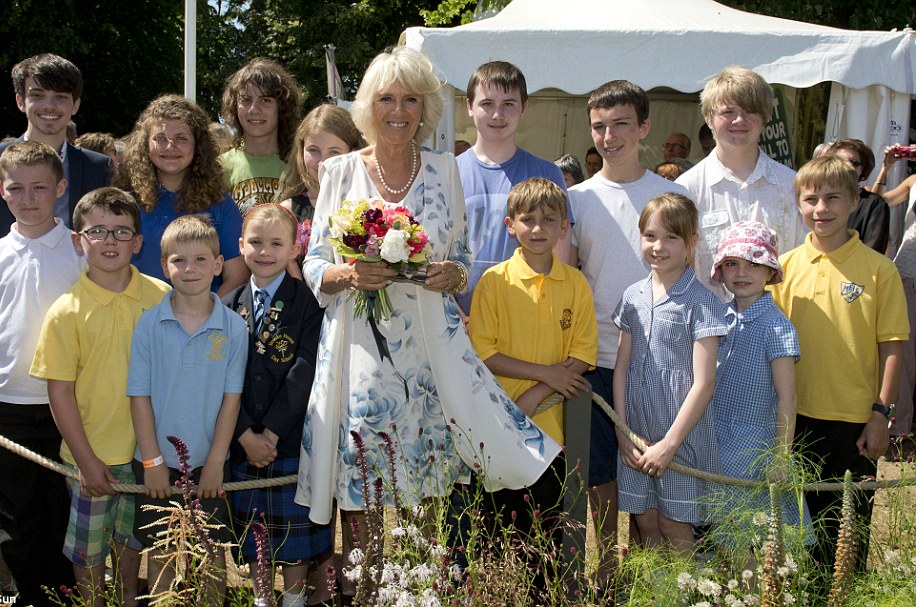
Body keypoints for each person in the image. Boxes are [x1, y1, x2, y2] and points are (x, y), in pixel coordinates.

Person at [295, 47, 560, 604]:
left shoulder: (445, 169)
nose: (398, 110)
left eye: (410, 99)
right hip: (362, 353)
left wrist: (449, 273)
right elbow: (315, 263)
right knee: (363, 482)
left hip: (433, 353)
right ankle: (363, 592)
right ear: (369, 106)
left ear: (425, 108)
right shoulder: (340, 171)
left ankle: (421, 592)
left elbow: (463, 256)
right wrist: (350, 272)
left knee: (431, 486)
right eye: (387, 99)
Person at [569, 78, 689, 586]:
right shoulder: (575, 199)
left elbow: (692, 275)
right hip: (595, 356)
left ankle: (652, 568)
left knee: (654, 466)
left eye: (621, 124)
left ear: (643, 127)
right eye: (599, 126)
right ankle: (609, 560)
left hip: (660, 360)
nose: (609, 135)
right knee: (600, 472)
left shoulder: (674, 195)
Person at [30, 187, 170, 607]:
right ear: (78, 240)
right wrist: (86, 459)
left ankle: (128, 596)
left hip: (146, 452)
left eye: (121, 231)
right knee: (89, 548)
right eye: (98, 231)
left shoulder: (162, 297)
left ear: (138, 241)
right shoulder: (66, 311)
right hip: (91, 453)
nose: (110, 242)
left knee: (132, 539)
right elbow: (60, 391)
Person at [0, 141, 82, 605]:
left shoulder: (80, 250)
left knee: (62, 507)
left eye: (40, 188)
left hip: (66, 403)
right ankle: (29, 593)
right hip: (4, 402)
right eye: (17, 189)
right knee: (13, 510)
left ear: (61, 188)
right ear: (1, 191)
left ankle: (66, 592)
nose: (29, 198)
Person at [769, 155, 908, 570]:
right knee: (794, 533)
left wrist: (881, 413)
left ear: (854, 201)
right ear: (798, 204)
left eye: (833, 198)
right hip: (794, 419)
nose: (821, 209)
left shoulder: (880, 270)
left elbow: (893, 346)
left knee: (845, 535)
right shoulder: (784, 268)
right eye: (810, 199)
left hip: (854, 422)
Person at [468, 177, 597, 597]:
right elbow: (483, 352)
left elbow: (580, 353)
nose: (538, 228)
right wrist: (544, 376)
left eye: (548, 219)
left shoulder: (576, 284)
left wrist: (536, 392)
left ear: (564, 227)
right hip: (500, 431)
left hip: (554, 434)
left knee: (547, 537)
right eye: (528, 219)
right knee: (497, 534)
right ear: (510, 225)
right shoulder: (494, 282)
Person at [128, 215, 248, 602]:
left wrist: (216, 461)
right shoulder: (148, 324)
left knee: (213, 556)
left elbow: (232, 400)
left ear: (218, 265)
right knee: (162, 556)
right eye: (179, 260)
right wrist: (151, 461)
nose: (190, 269)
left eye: (201, 260)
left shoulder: (233, 327)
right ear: (165, 267)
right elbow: (139, 397)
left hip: (208, 464)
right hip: (155, 464)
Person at [223, 204, 331, 607]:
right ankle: (262, 599)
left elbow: (304, 371)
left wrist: (270, 433)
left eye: (275, 243)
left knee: (295, 537)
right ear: (240, 245)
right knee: (258, 534)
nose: (264, 252)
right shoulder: (230, 303)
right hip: (244, 441)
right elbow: (222, 377)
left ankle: (295, 599)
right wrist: (244, 433)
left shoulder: (307, 303)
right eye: (255, 242)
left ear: (293, 250)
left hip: (288, 443)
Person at [613, 192, 727, 556]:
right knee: (645, 521)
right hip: (637, 432)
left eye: (671, 237)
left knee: (673, 523)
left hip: (679, 435)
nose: (658, 246)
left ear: (692, 242)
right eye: (650, 235)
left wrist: (670, 444)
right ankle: (657, 590)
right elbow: (622, 367)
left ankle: (688, 592)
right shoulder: (632, 296)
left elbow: (704, 383)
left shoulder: (702, 303)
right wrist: (621, 428)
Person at [707, 221, 812, 550]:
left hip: (755, 450)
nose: (742, 272)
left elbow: (787, 398)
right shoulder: (718, 318)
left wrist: (781, 457)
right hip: (716, 442)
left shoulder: (776, 326)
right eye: (732, 264)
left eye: (754, 264)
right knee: (721, 538)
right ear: (720, 271)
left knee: (753, 544)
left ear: (770, 271)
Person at [677, 66, 804, 301]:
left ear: (765, 117)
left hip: (779, 322)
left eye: (750, 111)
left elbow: (803, 260)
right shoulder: (686, 189)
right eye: (728, 112)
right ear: (709, 118)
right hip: (709, 327)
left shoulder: (791, 186)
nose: (739, 120)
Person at [455, 60, 571, 315]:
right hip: (458, 321)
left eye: (508, 104)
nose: (498, 114)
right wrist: (458, 317)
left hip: (527, 318)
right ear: (469, 107)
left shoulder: (548, 173)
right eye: (487, 103)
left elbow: (560, 257)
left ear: (524, 108)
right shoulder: (448, 173)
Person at [114, 94, 248, 295]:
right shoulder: (126, 202)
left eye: (181, 138)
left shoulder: (220, 204)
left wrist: (204, 315)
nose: (170, 147)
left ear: (198, 144)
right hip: (137, 320)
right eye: (159, 138)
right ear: (145, 144)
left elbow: (237, 277)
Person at [279, 104, 366, 277]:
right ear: (301, 150)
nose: (324, 162)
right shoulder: (287, 212)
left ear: (353, 152)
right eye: (313, 150)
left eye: (334, 152)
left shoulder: (369, 205)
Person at [220, 57, 303, 215]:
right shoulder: (219, 168)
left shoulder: (300, 167)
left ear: (282, 107)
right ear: (234, 106)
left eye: (265, 100)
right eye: (246, 100)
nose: (254, 109)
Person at [874, 146, 916, 436]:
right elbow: (876, 203)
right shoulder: (914, 181)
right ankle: (899, 428)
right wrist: (886, 168)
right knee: (906, 354)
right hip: (908, 269)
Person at [826, 138, 890, 253]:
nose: (847, 167)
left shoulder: (874, 204)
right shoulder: (816, 198)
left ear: (862, 169)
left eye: (854, 163)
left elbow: (873, 251)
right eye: (840, 161)